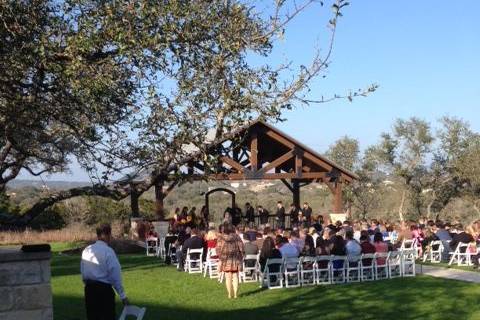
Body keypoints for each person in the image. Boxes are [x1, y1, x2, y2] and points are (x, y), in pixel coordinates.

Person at [81, 224, 128, 320]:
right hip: (104, 290)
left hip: (89, 290)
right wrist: (123, 296)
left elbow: (83, 271)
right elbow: (115, 275)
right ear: (108, 235)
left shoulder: (87, 250)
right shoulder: (108, 251)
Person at [216, 223, 245, 299]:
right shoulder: (237, 237)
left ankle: (229, 294)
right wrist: (242, 255)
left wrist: (220, 257)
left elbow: (218, 249)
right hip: (235, 259)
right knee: (235, 276)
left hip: (225, 259)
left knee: (228, 276)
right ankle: (235, 294)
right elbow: (241, 247)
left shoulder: (220, 238)